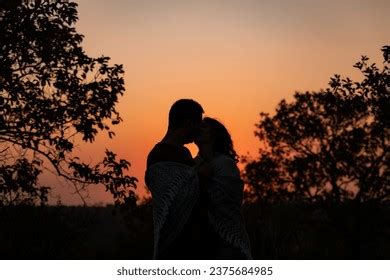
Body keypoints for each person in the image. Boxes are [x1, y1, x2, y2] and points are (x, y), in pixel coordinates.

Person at [145, 99, 213, 259]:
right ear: (188, 123)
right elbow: (186, 190)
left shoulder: (184, 153)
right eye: (198, 124)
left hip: (196, 240)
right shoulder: (159, 155)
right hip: (176, 243)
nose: (199, 130)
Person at [194, 117, 252, 259]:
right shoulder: (193, 164)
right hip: (201, 238)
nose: (198, 129)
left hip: (228, 237)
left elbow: (228, 200)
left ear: (214, 135)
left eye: (204, 127)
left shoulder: (225, 163)